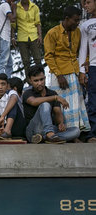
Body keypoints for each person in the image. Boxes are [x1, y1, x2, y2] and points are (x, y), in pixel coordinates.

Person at [44, 5, 90, 133]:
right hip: (59, 75)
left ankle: (77, 133)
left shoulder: (78, 32)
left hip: (74, 72)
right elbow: (48, 56)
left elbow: (82, 52)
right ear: (66, 18)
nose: (77, 23)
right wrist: (59, 75)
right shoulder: (52, 33)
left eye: (79, 20)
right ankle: (66, 133)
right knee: (62, 106)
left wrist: (83, 69)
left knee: (76, 105)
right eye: (75, 20)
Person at [23, 64, 80, 143]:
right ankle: (49, 135)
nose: (39, 83)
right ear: (30, 81)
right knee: (45, 104)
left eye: (41, 79)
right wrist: (55, 97)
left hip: (50, 129)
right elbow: (34, 102)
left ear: (45, 78)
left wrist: (60, 123)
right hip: (33, 130)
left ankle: (46, 137)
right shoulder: (27, 93)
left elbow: (57, 112)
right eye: (36, 81)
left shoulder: (52, 93)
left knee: (76, 131)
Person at [79, 0, 96, 141]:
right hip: (94, 66)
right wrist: (81, 71)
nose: (86, 5)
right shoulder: (85, 25)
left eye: (88, 2)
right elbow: (83, 49)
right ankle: (93, 133)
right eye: (84, 3)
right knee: (93, 100)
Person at [0, 73, 26, 138]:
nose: (0, 87)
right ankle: (3, 133)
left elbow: (14, 98)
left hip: (18, 126)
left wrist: (2, 116)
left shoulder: (11, 92)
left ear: (7, 86)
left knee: (12, 103)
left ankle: (7, 130)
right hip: (4, 127)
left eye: (3, 84)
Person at [13, 0, 42, 73]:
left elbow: (38, 23)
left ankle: (41, 78)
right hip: (22, 37)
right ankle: (29, 81)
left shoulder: (34, 7)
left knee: (38, 59)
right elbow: (13, 24)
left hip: (34, 36)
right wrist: (12, 37)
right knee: (26, 62)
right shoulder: (16, 7)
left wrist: (40, 36)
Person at [0, 0, 17, 77]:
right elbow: (13, 19)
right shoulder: (5, 5)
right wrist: (14, 9)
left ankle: (8, 81)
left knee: (9, 63)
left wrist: (12, 38)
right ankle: (0, 79)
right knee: (3, 61)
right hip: (4, 36)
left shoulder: (2, 5)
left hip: (4, 37)